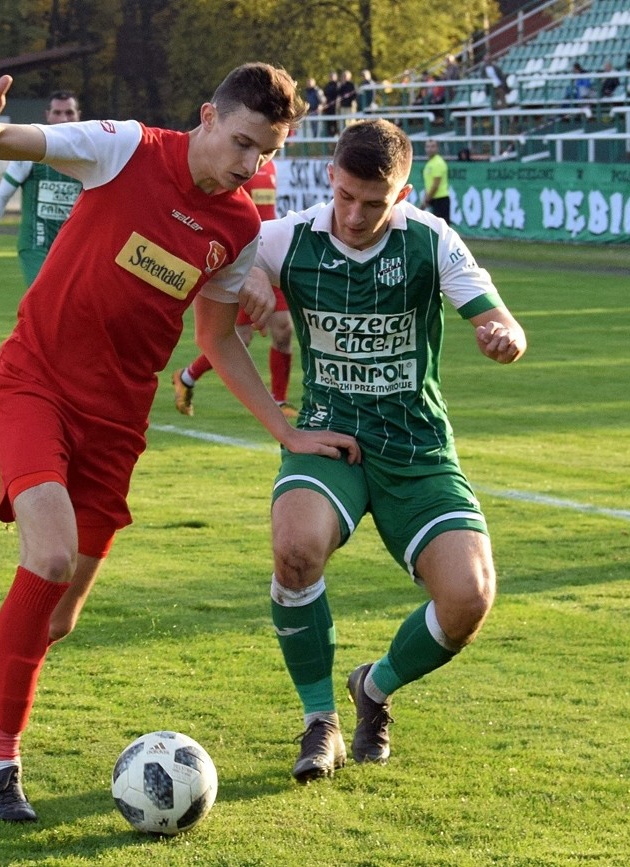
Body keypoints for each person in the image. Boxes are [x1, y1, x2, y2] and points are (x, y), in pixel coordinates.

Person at [0, 63, 360, 822]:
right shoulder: (124, 148)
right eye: (240, 143)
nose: (248, 165)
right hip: (34, 384)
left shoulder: (236, 227)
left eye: (263, 154)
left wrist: (285, 425)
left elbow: (217, 337)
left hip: (117, 424)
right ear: (207, 115)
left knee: (60, 617)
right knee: (45, 556)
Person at [249, 118, 526, 783]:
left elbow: (495, 315)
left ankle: (373, 686)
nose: (353, 214)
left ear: (402, 195)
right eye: (344, 195)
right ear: (331, 180)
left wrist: (503, 333)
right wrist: (253, 277)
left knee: (469, 599)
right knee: (294, 549)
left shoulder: (431, 240)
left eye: (373, 203)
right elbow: (237, 251)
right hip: (327, 439)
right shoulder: (290, 237)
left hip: (416, 446)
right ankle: (320, 721)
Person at [172, 159, 297, 419]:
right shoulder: (238, 165)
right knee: (239, 338)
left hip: (270, 258)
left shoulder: (272, 166)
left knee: (284, 329)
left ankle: (280, 400)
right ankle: (186, 377)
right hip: (243, 261)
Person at [0, 91, 83, 286]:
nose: (63, 119)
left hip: (74, 246)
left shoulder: (87, 156)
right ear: (47, 115)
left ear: (78, 115)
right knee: (46, 297)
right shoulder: (31, 153)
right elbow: (1, 197)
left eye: (69, 112)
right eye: (57, 112)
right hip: (36, 245)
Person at [422, 138, 450, 222]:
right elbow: (429, 183)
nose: (430, 149)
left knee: (442, 227)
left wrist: (427, 199)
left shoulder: (438, 163)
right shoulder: (430, 163)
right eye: (428, 147)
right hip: (433, 198)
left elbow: (435, 185)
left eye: (432, 146)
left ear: (437, 148)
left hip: (440, 198)